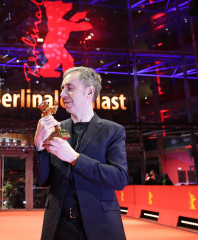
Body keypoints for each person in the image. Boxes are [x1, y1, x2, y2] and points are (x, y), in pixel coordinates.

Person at [34, 66, 128, 240]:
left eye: (69, 88)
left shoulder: (113, 131)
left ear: (89, 91)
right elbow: (43, 180)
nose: (62, 95)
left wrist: (74, 158)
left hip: (100, 226)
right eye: (62, 89)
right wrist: (39, 147)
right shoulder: (55, 128)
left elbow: (119, 178)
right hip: (58, 227)